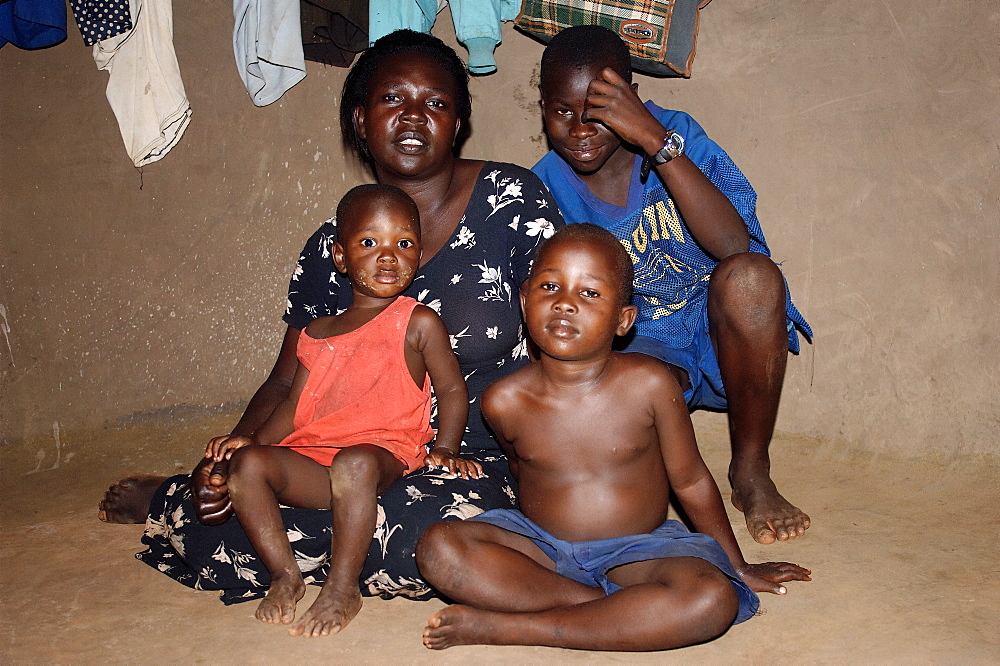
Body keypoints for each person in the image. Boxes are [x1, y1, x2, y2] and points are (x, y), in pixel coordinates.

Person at [98, 29, 563, 604]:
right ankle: (179, 494)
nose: (415, 117)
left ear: (459, 123)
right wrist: (233, 453)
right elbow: (287, 379)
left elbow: (567, 337)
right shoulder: (330, 248)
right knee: (226, 512)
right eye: (393, 100)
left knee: (436, 540)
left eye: (437, 103)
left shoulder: (513, 201)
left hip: (470, 459)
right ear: (360, 120)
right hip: (336, 456)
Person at [416, 224, 811, 651]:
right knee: (440, 548)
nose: (565, 304)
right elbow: (521, 474)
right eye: (550, 286)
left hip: (639, 552)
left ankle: (516, 627)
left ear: (624, 320)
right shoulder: (504, 401)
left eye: (589, 294)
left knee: (711, 598)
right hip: (544, 551)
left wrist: (737, 567)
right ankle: (613, 612)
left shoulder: (650, 385)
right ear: (525, 299)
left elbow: (691, 481)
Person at [530, 25, 813, 545]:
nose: (579, 129)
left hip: (721, 322)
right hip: (637, 339)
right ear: (543, 108)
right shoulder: (543, 186)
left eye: (598, 110)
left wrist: (656, 142)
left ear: (632, 97)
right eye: (560, 112)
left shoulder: (675, 132)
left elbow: (734, 245)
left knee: (752, 278)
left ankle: (751, 472)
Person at [204, 184, 482, 637]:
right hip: (316, 460)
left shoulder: (417, 321)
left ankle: (341, 587)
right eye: (369, 243)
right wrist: (253, 442)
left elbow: (452, 391)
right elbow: (294, 407)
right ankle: (285, 575)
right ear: (340, 256)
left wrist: (447, 447)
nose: (388, 256)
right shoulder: (317, 331)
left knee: (353, 462)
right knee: (248, 464)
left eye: (404, 243)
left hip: (381, 453)